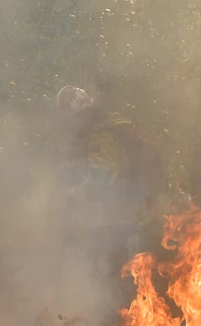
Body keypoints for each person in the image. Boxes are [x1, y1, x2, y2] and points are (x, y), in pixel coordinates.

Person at [54, 85, 165, 270]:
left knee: (110, 276)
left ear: (80, 115)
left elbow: (100, 182)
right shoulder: (115, 125)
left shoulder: (101, 136)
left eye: (72, 121)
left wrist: (70, 197)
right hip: (129, 215)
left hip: (114, 220)